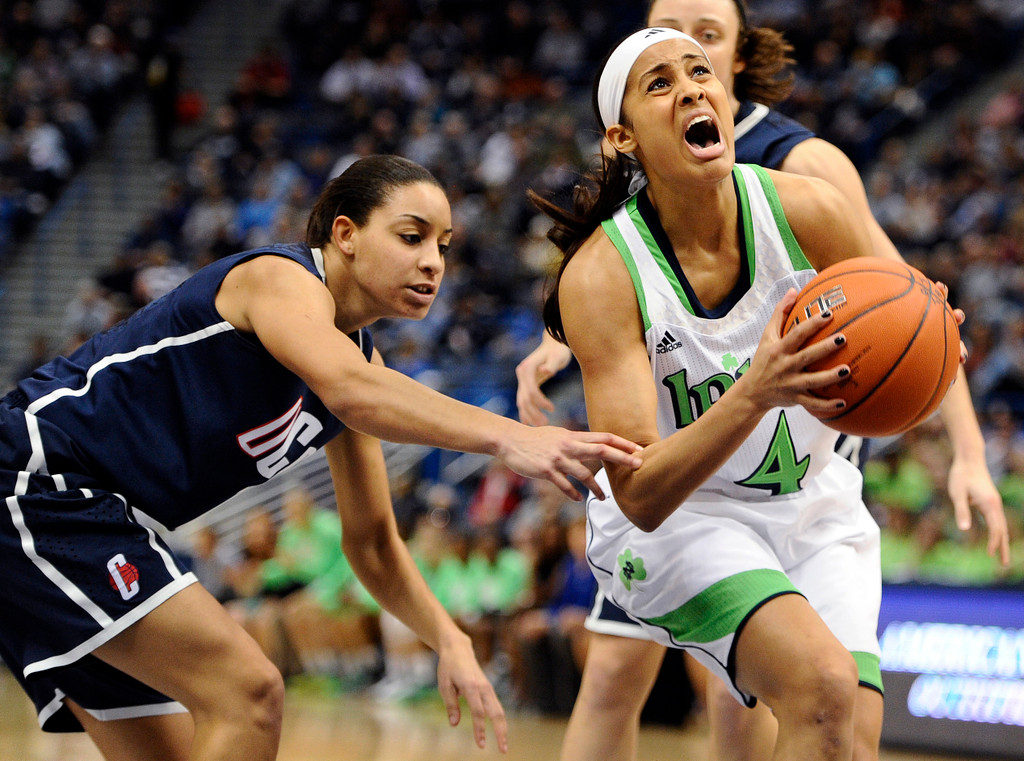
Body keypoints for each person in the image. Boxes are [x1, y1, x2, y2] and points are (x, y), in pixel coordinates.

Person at [0, 154, 646, 761]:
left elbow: (372, 543)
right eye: (412, 236)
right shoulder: (280, 280)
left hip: (90, 515)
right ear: (345, 233)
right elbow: (354, 391)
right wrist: (508, 435)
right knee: (249, 693)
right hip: (35, 479)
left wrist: (449, 639)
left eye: (444, 246)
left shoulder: (355, 365)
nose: (433, 262)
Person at [516, 2, 1009, 760]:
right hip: (683, 517)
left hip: (811, 501)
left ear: (731, 87)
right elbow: (641, 493)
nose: (690, 89)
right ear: (622, 139)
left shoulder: (809, 201)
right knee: (816, 686)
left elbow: (909, 310)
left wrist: (934, 356)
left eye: (700, 72)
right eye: (659, 83)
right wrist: (757, 388)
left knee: (850, 731)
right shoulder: (603, 274)